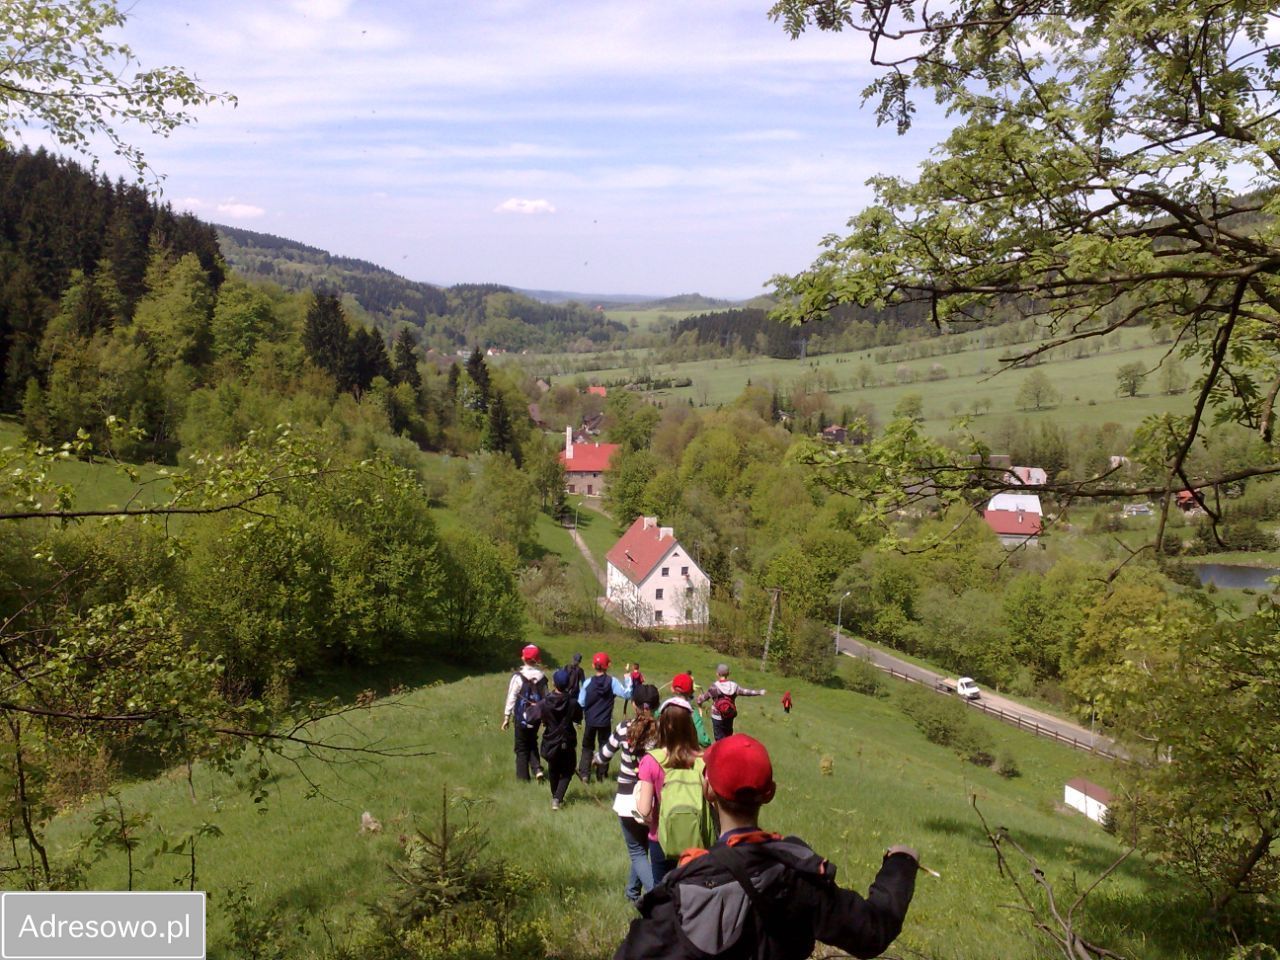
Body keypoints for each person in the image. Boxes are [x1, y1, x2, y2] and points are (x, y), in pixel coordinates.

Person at [615, 734, 919, 960]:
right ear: (769, 793)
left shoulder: (690, 883)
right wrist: (900, 864)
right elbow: (871, 933)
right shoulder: (799, 874)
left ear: (708, 790)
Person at [633, 697, 713, 885]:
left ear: (662, 726)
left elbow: (644, 811)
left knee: (664, 895)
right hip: (698, 838)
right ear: (690, 726)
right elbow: (712, 799)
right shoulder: (704, 760)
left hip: (662, 838)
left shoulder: (651, 761)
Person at [595, 683, 660, 903]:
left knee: (637, 852)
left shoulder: (624, 728)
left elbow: (605, 754)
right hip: (653, 799)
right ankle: (632, 894)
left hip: (626, 800)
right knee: (643, 849)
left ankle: (659, 896)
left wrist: (595, 760)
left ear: (633, 705)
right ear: (657, 705)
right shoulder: (662, 731)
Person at [578, 652, 633, 782]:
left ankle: (584, 774)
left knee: (587, 747)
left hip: (590, 721)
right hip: (605, 722)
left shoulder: (587, 683)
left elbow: (581, 702)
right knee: (605, 747)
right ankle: (601, 775)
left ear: (593, 665)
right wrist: (627, 678)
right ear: (607, 665)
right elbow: (627, 694)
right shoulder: (612, 682)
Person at [536, 668, 583, 810]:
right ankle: (557, 798)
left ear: (553, 683)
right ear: (568, 684)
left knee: (553, 769)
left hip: (550, 740)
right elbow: (578, 718)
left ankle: (555, 797)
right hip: (567, 741)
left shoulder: (544, 702)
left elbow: (541, 718)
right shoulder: (573, 703)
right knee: (568, 770)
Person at [501, 644, 547, 782]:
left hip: (521, 718)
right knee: (532, 741)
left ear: (523, 658)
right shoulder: (542, 677)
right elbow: (546, 698)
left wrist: (506, 717)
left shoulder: (518, 677)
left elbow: (511, 697)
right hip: (536, 718)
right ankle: (537, 769)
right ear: (537, 660)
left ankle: (523, 779)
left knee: (521, 748)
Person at [697, 663, 766, 741]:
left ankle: (721, 752)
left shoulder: (714, 687)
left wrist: (699, 701)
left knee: (719, 740)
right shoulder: (734, 686)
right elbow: (746, 692)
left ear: (717, 674)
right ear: (728, 674)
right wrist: (759, 692)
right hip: (729, 715)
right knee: (728, 739)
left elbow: (703, 698)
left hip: (717, 717)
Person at [669, 674, 711, 747]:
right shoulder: (692, 712)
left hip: (665, 750)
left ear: (672, 689)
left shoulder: (664, 708)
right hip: (685, 751)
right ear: (691, 692)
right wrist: (708, 743)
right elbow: (702, 739)